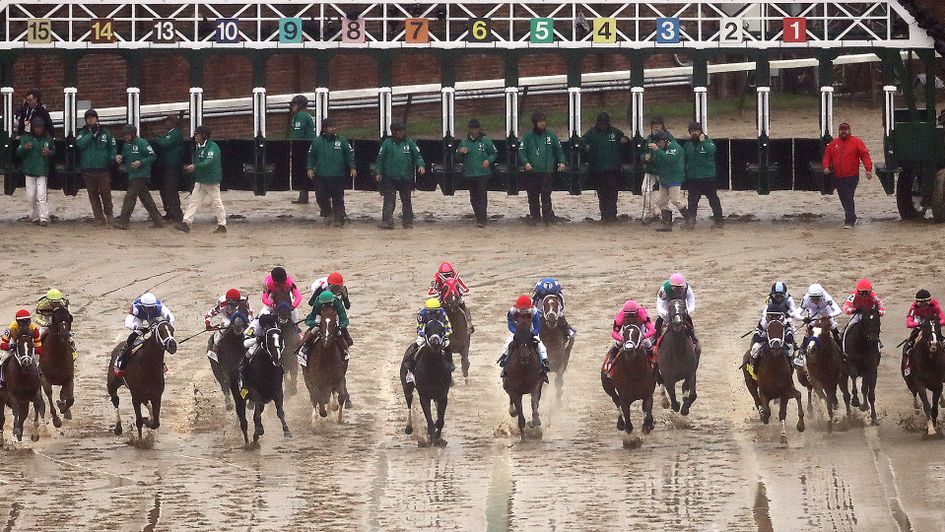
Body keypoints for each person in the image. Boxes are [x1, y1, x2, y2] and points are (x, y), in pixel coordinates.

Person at [518, 112, 566, 226]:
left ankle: (547, 217)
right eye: (540, 122)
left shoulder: (551, 136)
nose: (542, 124)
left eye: (543, 121)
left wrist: (562, 162)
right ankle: (535, 217)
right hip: (532, 172)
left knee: (546, 195)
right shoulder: (528, 137)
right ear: (535, 123)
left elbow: (559, 151)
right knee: (533, 195)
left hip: (547, 171)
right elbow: (521, 152)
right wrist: (525, 163)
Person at [307, 118, 356, 227]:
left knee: (338, 197)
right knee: (320, 196)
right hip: (321, 175)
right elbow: (311, 156)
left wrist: (352, 167)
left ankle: (339, 218)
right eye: (330, 127)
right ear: (324, 128)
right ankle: (327, 212)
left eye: (334, 126)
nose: (333, 129)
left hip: (337, 175)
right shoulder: (317, 141)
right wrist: (310, 168)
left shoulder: (342, 140)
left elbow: (349, 155)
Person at [822, 122, 873, 228]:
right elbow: (827, 156)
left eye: (845, 130)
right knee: (842, 197)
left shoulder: (856, 142)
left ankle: (849, 221)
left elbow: (864, 155)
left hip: (852, 176)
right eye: (842, 130)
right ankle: (852, 216)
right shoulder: (833, 144)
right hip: (838, 176)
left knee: (848, 196)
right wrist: (826, 167)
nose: (843, 132)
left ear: (849, 130)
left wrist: (868, 169)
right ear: (839, 131)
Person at [746, 282, 803, 377]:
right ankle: (754, 368)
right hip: (770, 321)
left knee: (791, 345)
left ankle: (792, 362)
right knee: (755, 348)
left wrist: (786, 316)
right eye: (777, 296)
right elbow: (765, 312)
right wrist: (769, 321)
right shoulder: (768, 301)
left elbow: (795, 312)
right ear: (773, 294)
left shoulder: (789, 299)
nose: (779, 298)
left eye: (781, 296)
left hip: (784, 318)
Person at [375, 123, 425, 229]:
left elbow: (418, 156)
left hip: (406, 177)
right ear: (394, 132)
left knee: (406, 200)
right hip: (390, 177)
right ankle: (387, 221)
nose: (402, 133)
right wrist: (378, 172)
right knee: (389, 200)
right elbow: (380, 159)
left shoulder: (410, 143)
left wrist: (421, 165)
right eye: (399, 131)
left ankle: (408, 222)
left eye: (403, 131)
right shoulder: (387, 144)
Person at [113, 124, 163, 230]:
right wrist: (120, 159)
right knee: (146, 199)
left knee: (129, 197)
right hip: (132, 175)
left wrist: (141, 162)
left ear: (133, 134)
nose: (125, 137)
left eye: (127, 135)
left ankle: (124, 221)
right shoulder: (126, 146)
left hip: (141, 175)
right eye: (124, 135)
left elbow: (152, 156)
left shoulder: (142, 143)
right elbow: (125, 159)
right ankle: (158, 220)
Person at [178, 125, 226, 234]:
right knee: (194, 201)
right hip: (201, 180)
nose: (195, 137)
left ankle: (222, 224)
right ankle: (186, 223)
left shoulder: (212, 147)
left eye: (197, 134)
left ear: (203, 135)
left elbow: (209, 162)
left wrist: (195, 167)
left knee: (216, 202)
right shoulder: (199, 147)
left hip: (211, 180)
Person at [581, 112, 628, 224]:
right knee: (602, 195)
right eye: (601, 123)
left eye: (604, 123)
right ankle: (604, 216)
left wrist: (625, 140)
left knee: (612, 194)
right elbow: (581, 142)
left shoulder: (615, 132)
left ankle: (612, 216)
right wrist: (585, 147)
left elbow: (625, 138)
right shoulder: (591, 133)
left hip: (613, 170)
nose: (603, 126)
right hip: (598, 170)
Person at [114, 293, 174, 377]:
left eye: (152, 308)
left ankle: (161, 363)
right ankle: (121, 355)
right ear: (142, 306)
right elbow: (127, 322)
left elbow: (170, 318)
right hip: (139, 318)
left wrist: (167, 327)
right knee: (137, 333)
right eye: (147, 308)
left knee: (157, 338)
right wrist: (137, 327)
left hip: (153, 319)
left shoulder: (160, 307)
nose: (150, 310)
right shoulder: (136, 308)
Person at [75, 109, 117, 225]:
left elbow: (112, 146)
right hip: (88, 168)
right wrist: (91, 134)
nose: (90, 119)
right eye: (88, 118)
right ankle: (99, 217)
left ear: (97, 119)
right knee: (92, 194)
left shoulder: (105, 132)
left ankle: (109, 215)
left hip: (103, 168)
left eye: (93, 117)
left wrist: (112, 158)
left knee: (105, 192)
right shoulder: (82, 133)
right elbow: (80, 144)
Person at [456, 119, 497, 227]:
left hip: (483, 174)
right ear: (469, 130)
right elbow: (457, 157)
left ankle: (482, 219)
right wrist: (460, 152)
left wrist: (488, 160)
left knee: (482, 197)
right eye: (472, 129)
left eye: (476, 129)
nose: (474, 131)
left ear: (479, 129)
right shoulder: (464, 142)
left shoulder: (485, 140)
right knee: (473, 198)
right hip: (470, 174)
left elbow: (494, 153)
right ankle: (478, 215)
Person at [498, 295, 549, 382]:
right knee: (508, 344)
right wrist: (517, 332)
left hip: (530, 332)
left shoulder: (534, 311)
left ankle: (544, 364)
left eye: (525, 309)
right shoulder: (512, 312)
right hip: (517, 332)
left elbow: (537, 326)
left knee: (541, 346)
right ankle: (504, 364)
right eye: (521, 309)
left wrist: (532, 333)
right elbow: (510, 325)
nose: (523, 310)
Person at [602, 300, 656, 381]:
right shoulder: (620, 317)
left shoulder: (642, 314)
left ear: (637, 312)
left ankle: (653, 364)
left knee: (647, 343)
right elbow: (614, 333)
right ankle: (610, 365)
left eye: (632, 315)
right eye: (628, 315)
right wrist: (622, 339)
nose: (630, 317)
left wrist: (643, 336)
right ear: (624, 313)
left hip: (640, 329)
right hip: (626, 330)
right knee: (618, 344)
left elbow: (652, 330)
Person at [645, 130, 687, 232]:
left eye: (659, 142)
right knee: (662, 202)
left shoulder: (675, 147)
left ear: (664, 140)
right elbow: (658, 161)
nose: (658, 145)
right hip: (664, 178)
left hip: (674, 177)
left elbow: (669, 160)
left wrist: (657, 151)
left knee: (675, 200)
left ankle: (689, 218)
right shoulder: (661, 149)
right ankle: (666, 222)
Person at [683, 121, 723, 229]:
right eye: (692, 131)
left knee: (713, 199)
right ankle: (691, 222)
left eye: (696, 131)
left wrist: (703, 142)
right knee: (692, 201)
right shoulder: (688, 145)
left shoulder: (708, 142)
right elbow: (684, 159)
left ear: (701, 131)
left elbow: (711, 151)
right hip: (693, 178)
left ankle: (719, 220)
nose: (694, 133)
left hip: (708, 177)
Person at [17, 117, 55, 226]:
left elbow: (54, 151)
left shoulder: (47, 139)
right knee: (30, 196)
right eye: (37, 127)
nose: (39, 129)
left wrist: (49, 153)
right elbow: (18, 152)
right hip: (29, 170)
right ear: (33, 128)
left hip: (42, 171)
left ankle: (44, 217)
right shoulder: (26, 138)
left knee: (41, 196)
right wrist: (24, 148)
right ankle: (34, 216)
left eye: (41, 127)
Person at [405, 298, 454, 379]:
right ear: (427, 310)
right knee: (418, 344)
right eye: (431, 311)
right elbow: (419, 327)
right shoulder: (422, 314)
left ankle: (450, 364)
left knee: (447, 344)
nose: (434, 314)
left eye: (435, 311)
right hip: (426, 334)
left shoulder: (442, 312)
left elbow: (447, 324)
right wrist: (423, 334)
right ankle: (410, 364)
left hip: (439, 334)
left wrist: (446, 333)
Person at [149, 114, 186, 223]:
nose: (165, 123)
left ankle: (177, 214)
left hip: (172, 167)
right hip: (167, 166)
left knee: (171, 191)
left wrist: (155, 139)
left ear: (172, 122)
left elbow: (165, 143)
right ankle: (170, 212)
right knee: (165, 190)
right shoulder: (170, 134)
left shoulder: (175, 133)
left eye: (167, 121)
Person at [299, 290, 353, 365]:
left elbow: (343, 317)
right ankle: (304, 350)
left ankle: (344, 352)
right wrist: (314, 323)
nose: (326, 305)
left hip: (334, 320)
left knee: (339, 334)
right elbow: (310, 318)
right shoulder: (318, 301)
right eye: (324, 304)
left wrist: (341, 325)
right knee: (313, 331)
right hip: (320, 320)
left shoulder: (336, 302)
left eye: (328, 304)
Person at [797, 283, 843, 368]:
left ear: (821, 296)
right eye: (813, 299)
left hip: (826, 311)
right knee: (808, 332)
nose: (815, 301)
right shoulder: (806, 299)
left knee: (834, 330)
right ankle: (801, 353)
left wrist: (830, 316)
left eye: (817, 298)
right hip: (813, 312)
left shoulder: (827, 298)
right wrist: (803, 318)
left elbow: (838, 310)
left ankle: (842, 354)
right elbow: (796, 313)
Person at [903, 289, 945, 376]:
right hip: (920, 325)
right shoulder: (913, 307)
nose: (923, 306)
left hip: (932, 325)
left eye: (925, 304)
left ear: (929, 301)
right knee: (908, 347)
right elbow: (909, 323)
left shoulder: (935, 304)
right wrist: (919, 324)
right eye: (920, 304)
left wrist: (935, 324)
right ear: (917, 302)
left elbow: (943, 319)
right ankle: (908, 366)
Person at [204, 288, 253, 361]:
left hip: (240, 317)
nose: (235, 305)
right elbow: (212, 312)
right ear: (228, 301)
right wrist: (208, 322)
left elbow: (250, 313)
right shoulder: (222, 303)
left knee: (251, 329)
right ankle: (215, 348)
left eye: (237, 302)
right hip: (227, 318)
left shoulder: (244, 302)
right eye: (233, 303)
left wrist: (249, 321)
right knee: (226, 325)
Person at [641, 116, 674, 224]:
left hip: (663, 168)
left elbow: (672, 152)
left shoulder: (669, 137)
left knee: (665, 192)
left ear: (662, 125)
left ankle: (665, 213)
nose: (656, 127)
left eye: (658, 125)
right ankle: (651, 212)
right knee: (645, 189)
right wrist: (644, 157)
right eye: (654, 125)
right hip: (651, 168)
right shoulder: (650, 138)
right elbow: (643, 152)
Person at [239, 310, 279, 397]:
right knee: (245, 361)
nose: (269, 327)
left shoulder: (273, 324)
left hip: (269, 344)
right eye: (266, 326)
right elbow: (245, 343)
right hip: (255, 343)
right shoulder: (253, 327)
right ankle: (244, 387)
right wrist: (256, 339)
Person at [0, 310, 42, 390]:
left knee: (37, 361)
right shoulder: (11, 328)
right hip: (14, 342)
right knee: (2, 360)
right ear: (17, 322)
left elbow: (38, 343)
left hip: (28, 344)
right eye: (22, 321)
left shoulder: (34, 328)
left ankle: (39, 377)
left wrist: (35, 351)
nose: (25, 324)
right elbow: (3, 343)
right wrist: (10, 346)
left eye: (27, 321)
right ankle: (2, 380)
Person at [428, 261, 473, 333]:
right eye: (445, 275)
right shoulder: (436, 281)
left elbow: (466, 290)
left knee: (464, 306)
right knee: (432, 309)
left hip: (456, 298)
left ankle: (468, 324)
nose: (447, 277)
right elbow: (430, 294)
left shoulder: (457, 279)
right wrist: (439, 293)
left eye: (449, 275)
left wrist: (459, 293)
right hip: (443, 299)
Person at [289, 95, 317, 206]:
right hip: (310, 146)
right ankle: (303, 196)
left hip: (304, 147)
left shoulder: (300, 116)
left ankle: (304, 196)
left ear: (300, 105)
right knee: (306, 171)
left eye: (294, 104)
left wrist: (293, 148)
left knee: (304, 170)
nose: (292, 107)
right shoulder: (307, 115)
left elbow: (298, 136)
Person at [654, 273, 697, 344]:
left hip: (681, 308)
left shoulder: (687, 288)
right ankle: (655, 337)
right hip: (668, 306)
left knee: (688, 320)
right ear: (671, 286)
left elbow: (691, 301)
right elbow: (660, 305)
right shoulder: (664, 289)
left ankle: (693, 336)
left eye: (680, 288)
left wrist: (687, 311)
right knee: (659, 320)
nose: (678, 290)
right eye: (676, 288)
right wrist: (665, 314)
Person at [531, 277, 576, 342]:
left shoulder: (558, 295)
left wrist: (558, 312)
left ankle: (566, 329)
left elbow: (562, 306)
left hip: (554, 306)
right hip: (540, 305)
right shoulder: (537, 295)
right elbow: (532, 305)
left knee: (560, 315)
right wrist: (539, 313)